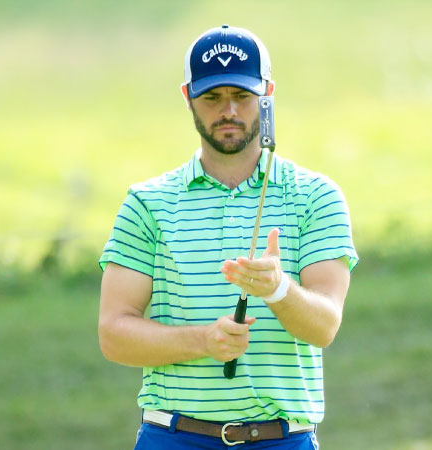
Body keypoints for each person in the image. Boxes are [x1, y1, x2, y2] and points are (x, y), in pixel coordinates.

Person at [98, 24, 358, 449]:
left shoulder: (315, 196)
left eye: (242, 96)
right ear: (188, 98)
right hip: (174, 436)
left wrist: (278, 290)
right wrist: (203, 340)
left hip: (282, 439)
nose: (229, 112)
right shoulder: (148, 203)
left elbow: (324, 325)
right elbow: (113, 333)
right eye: (212, 98)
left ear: (267, 94)